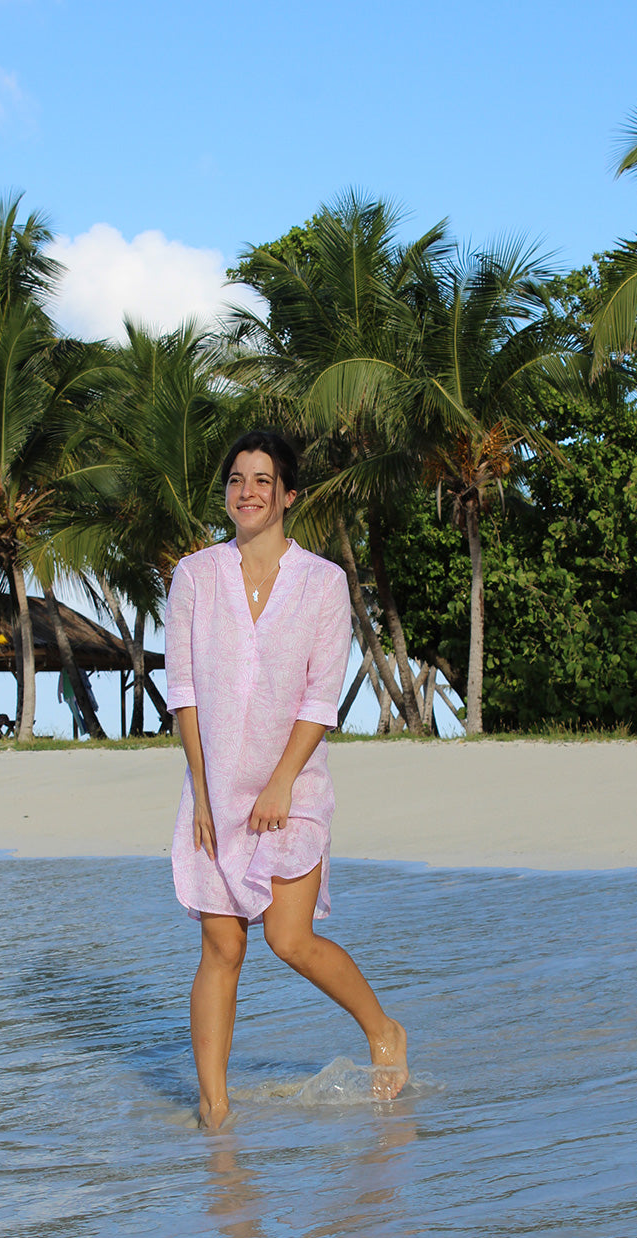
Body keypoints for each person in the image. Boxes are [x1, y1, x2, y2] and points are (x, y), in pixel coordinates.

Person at [164, 429, 408, 1129]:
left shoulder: (324, 582)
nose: (247, 491)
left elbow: (319, 699)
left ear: (288, 495)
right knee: (222, 944)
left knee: (288, 939)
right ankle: (215, 1113)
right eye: (237, 479)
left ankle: (384, 1030)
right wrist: (203, 796)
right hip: (213, 789)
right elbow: (184, 692)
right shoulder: (195, 576)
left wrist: (279, 784)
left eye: (263, 480)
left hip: (292, 786)